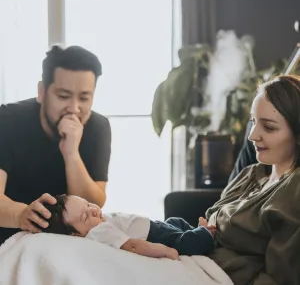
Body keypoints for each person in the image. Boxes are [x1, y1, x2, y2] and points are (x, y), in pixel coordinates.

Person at [0, 45, 111, 245]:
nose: (74, 108)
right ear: (42, 92)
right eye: (63, 96)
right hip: (9, 240)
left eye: (84, 98)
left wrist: (71, 154)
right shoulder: (7, 120)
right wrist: (22, 215)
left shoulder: (98, 128)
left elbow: (94, 205)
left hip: (69, 244)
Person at [206, 75, 300, 285]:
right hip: (193, 266)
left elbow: (278, 279)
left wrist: (221, 252)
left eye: (268, 127)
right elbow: (209, 218)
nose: (252, 136)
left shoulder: (294, 191)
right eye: (253, 122)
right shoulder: (250, 174)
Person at [41, 194, 216, 259]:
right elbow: (132, 245)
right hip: (153, 236)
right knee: (182, 242)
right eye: (85, 216)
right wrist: (165, 251)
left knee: (174, 222)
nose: (93, 210)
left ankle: (195, 229)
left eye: (87, 204)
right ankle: (205, 234)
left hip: (154, 225)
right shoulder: (98, 232)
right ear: (76, 235)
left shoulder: (97, 222)